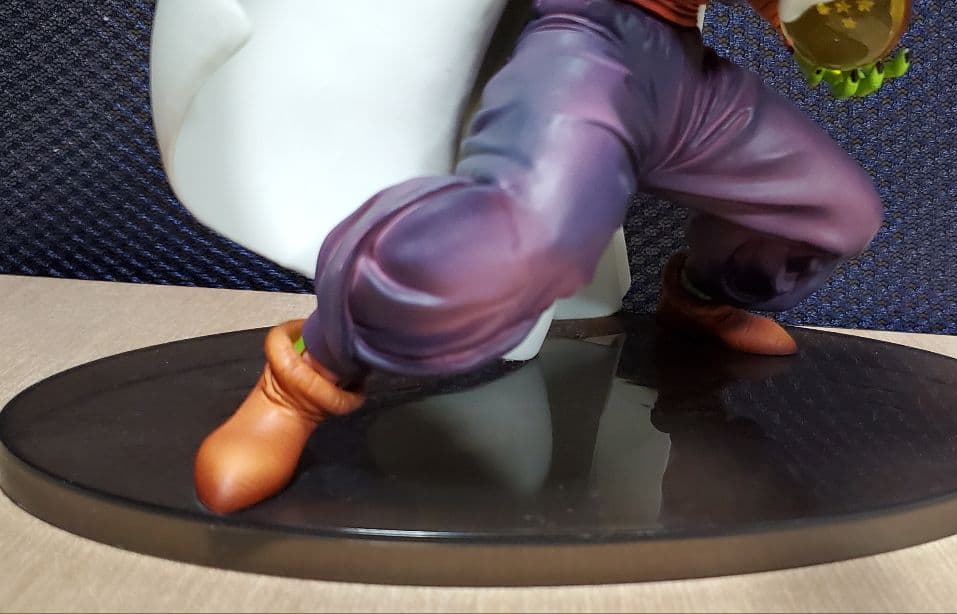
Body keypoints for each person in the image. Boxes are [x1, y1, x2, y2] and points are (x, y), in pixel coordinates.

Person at [194, 0, 887, 513]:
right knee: (528, 245)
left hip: (680, 68)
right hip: (587, 49)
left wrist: (803, 18)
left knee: (836, 212)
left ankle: (702, 299)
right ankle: (311, 370)